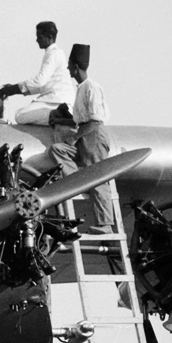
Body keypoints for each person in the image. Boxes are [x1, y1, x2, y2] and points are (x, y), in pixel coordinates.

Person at [47, 44, 116, 232]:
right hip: (85, 135)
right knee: (57, 150)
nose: (68, 69)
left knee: (98, 178)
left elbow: (94, 120)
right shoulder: (80, 88)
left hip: (93, 136)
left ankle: (106, 224)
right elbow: (80, 119)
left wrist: (75, 137)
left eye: (69, 65)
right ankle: (78, 181)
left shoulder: (92, 87)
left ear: (75, 66)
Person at [0, 22, 73, 125]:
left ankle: (55, 115)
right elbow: (44, 85)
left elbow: (39, 81)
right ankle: (57, 115)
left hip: (54, 101)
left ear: (49, 37)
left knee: (20, 115)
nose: (36, 40)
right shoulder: (59, 53)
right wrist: (16, 89)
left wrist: (13, 89)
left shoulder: (52, 54)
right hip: (62, 100)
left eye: (39, 37)